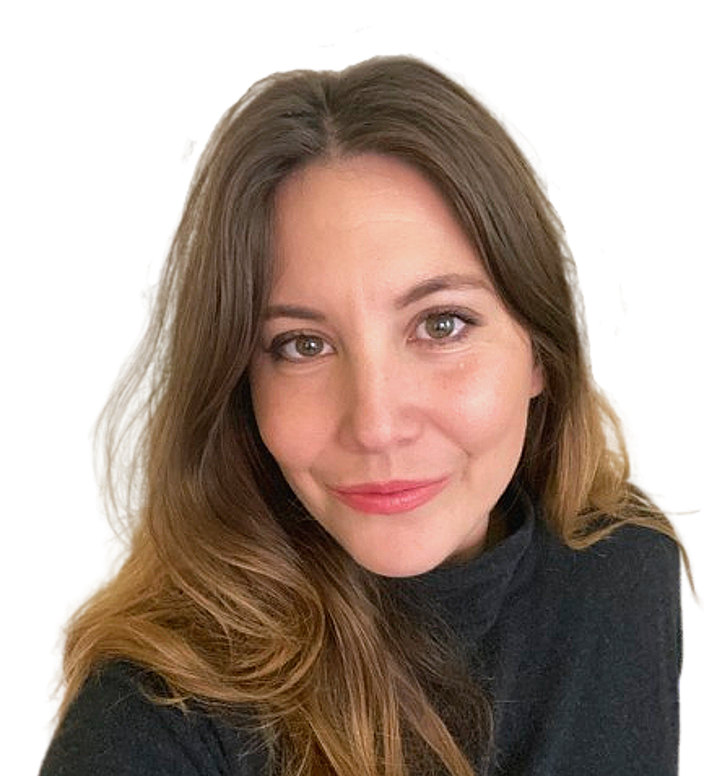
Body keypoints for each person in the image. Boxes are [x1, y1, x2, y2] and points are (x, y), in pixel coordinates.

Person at [39, 53, 699, 776]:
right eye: (302, 344)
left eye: (442, 325)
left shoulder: (627, 568)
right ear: (238, 385)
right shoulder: (157, 711)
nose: (377, 424)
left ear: (541, 351)